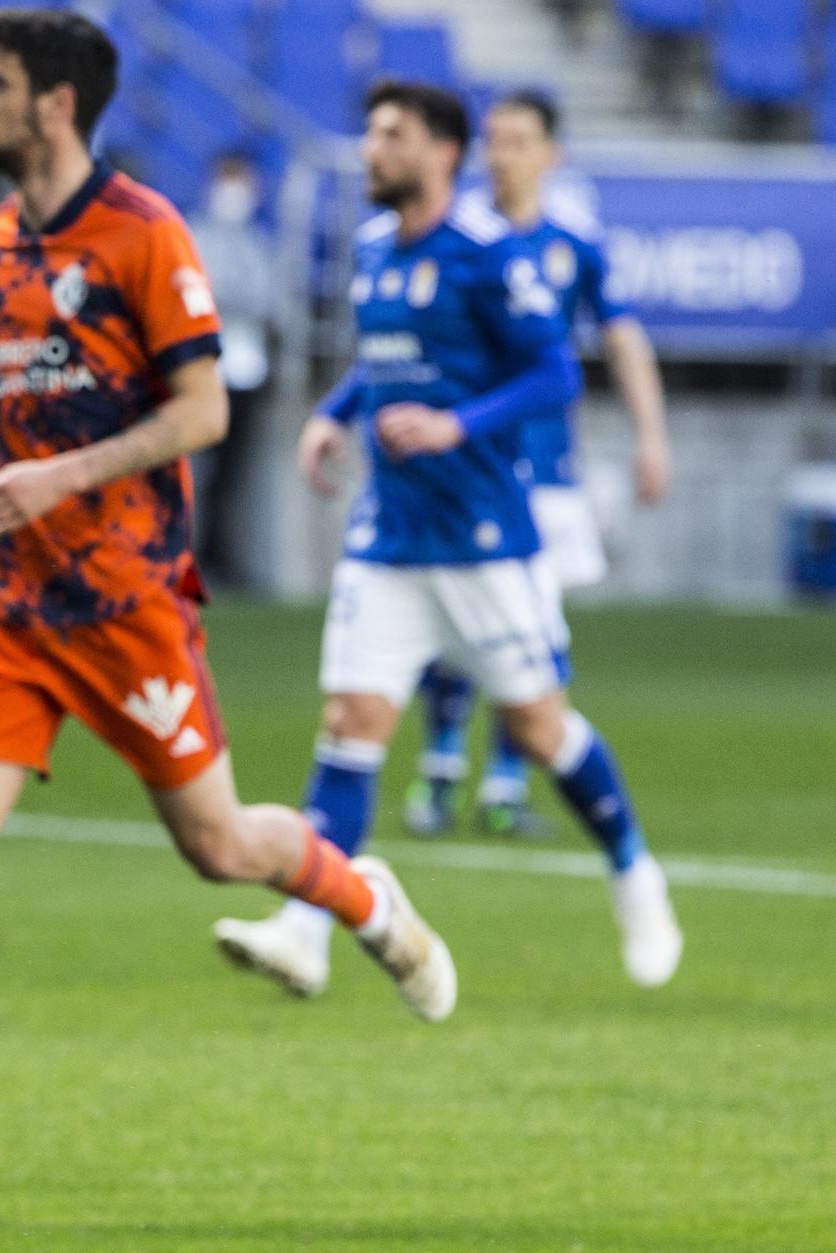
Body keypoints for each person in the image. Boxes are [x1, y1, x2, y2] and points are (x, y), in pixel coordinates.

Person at [0, 11, 457, 1218]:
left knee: (217, 847)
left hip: (125, 603)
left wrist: (62, 481)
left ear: (54, 104)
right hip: (7, 603)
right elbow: (17, 421)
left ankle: (364, 898)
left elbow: (201, 413)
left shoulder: (145, 232)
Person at [212, 82, 682, 1005]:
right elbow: (381, 356)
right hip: (388, 539)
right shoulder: (377, 248)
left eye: (389, 135)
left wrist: (458, 425)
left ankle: (633, 869)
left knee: (541, 728)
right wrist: (333, 414)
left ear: (442, 154)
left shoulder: (488, 257)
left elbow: (553, 372)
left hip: (482, 541)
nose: (369, 150)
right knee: (351, 726)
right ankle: (308, 928)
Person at [403, 88, 672, 840]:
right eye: (493, 139)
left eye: (518, 140)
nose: (501, 154)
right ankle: (441, 768)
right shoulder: (458, 238)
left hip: (548, 476)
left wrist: (652, 434)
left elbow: (620, 339)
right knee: (453, 627)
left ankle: (504, 785)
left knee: (531, 637)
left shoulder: (573, 246)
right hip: (469, 466)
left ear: (551, 154)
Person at [187, 151, 278, 586]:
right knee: (198, 469)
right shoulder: (194, 236)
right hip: (204, 366)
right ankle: (192, 553)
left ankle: (221, 558)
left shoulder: (258, 244)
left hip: (246, 369)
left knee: (231, 474)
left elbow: (271, 301)